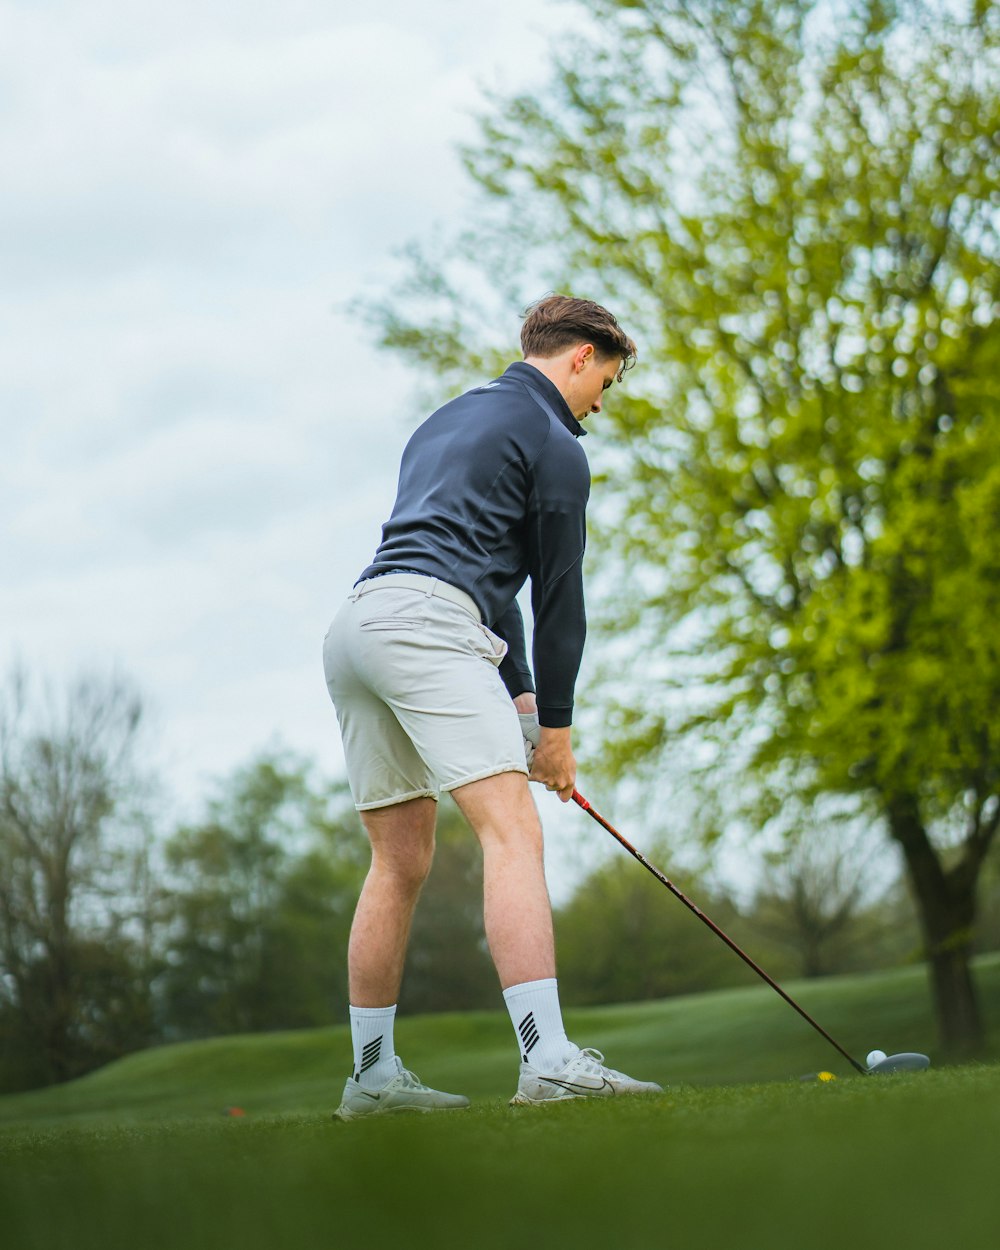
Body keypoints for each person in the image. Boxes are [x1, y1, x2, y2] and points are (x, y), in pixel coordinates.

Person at [322, 294, 662, 1119]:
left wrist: (517, 699)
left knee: (398, 861)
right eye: (606, 384)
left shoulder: (450, 419)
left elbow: (488, 576)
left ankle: (370, 1078)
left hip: (357, 627)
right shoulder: (555, 444)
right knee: (513, 831)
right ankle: (548, 1063)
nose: (600, 406)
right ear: (582, 357)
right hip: (430, 630)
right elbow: (557, 598)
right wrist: (555, 735)